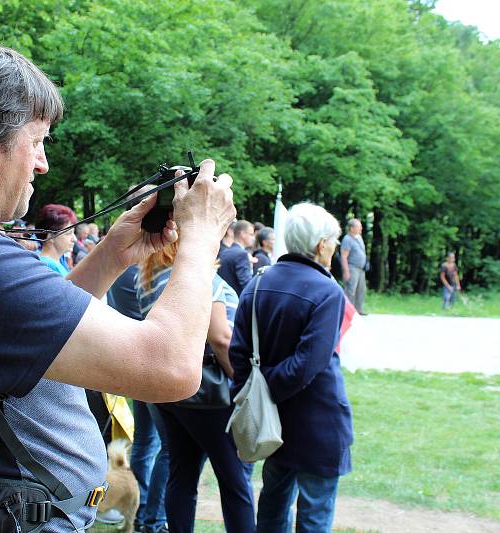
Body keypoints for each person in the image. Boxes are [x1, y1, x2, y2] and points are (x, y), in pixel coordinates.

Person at [0, 39, 237, 532]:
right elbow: (170, 368)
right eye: (36, 142)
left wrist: (112, 254)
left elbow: (33, 336)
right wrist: (202, 241)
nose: (42, 164)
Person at [231, 203, 353, 533]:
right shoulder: (327, 290)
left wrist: (256, 396)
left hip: (271, 423)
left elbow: (238, 355)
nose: (336, 246)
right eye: (334, 240)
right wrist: (265, 392)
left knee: (272, 507)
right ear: (320, 245)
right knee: (313, 516)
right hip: (318, 421)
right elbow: (306, 365)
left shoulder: (257, 283)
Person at [136, 239, 254, 533]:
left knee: (182, 473)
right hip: (207, 391)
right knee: (234, 480)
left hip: (166, 389)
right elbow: (221, 338)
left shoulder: (148, 279)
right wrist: (242, 383)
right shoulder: (198, 277)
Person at [108, 265, 168, 533]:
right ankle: (150, 513)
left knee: (145, 442)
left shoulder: (123, 270)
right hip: (153, 363)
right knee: (162, 446)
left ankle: (140, 508)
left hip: (133, 363)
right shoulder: (152, 272)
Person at [35, 204, 78, 275]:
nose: (75, 239)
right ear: (50, 237)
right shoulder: (49, 266)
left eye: (73, 233)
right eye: (69, 233)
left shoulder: (58, 261)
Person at [219, 219, 255, 295]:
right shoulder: (242, 254)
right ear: (243, 234)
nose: (254, 238)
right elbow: (247, 284)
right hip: (237, 301)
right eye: (251, 234)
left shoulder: (224, 252)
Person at [340, 218, 368, 314]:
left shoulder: (358, 237)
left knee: (361, 289)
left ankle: (358, 310)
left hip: (361, 269)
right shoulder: (347, 239)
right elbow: (343, 256)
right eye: (358, 226)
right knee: (350, 290)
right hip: (352, 268)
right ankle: (347, 312)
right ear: (351, 228)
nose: (361, 228)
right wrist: (346, 271)